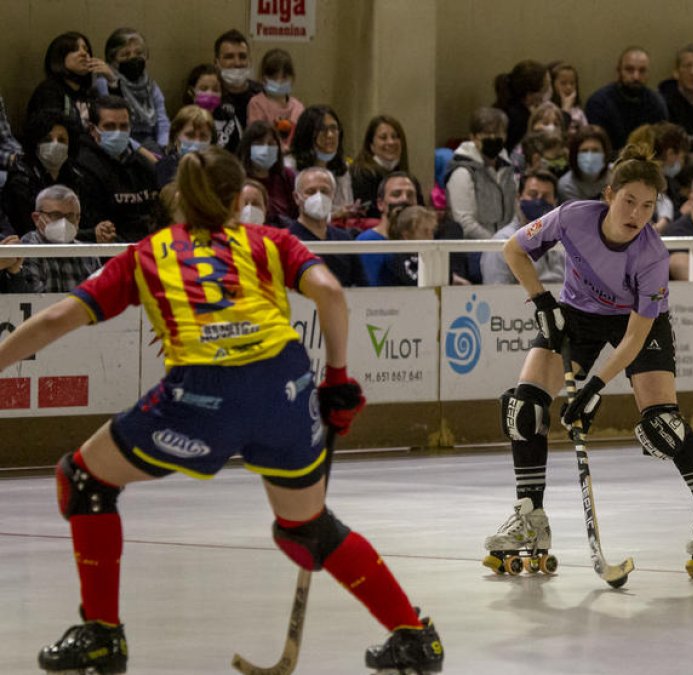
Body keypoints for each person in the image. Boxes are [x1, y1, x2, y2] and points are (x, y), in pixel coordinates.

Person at [0, 147, 443, 673]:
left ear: (179, 201)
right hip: (285, 384)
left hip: (201, 397)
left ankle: (102, 634)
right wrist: (338, 380)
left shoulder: (150, 252)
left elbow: (56, 320)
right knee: (305, 527)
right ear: (239, 199)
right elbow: (329, 292)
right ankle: (413, 635)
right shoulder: (269, 241)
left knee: (84, 479)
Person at [483, 143, 693, 575]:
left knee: (663, 424)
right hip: (577, 316)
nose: (636, 214)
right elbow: (513, 249)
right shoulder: (572, 217)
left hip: (637, 325)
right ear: (608, 195)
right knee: (525, 408)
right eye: (628, 201)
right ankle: (530, 518)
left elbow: (636, 336)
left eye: (647, 206)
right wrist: (543, 301)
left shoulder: (652, 256)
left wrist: (593, 388)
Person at [73, 96, 159, 242]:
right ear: (93, 129)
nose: (118, 132)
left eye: (124, 126)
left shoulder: (143, 165)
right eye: (109, 127)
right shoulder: (81, 167)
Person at [2, 111, 83, 236]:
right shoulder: (21, 179)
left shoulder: (76, 176)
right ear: (36, 143)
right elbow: (26, 228)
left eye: (62, 140)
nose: (55, 144)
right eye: (47, 139)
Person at [285, 166, 366, 287]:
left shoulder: (344, 239)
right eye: (311, 192)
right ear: (297, 198)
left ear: (333, 195)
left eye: (325, 191)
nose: (319, 197)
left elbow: (363, 286)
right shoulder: (286, 240)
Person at [446, 107, 518, 240]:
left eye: (498, 133)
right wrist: (495, 244)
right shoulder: (463, 172)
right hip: (476, 249)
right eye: (486, 133)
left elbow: (515, 212)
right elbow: (465, 221)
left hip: (507, 245)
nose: (493, 138)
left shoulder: (508, 170)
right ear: (473, 137)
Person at [94, 28, 168, 155]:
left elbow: (162, 120)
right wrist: (143, 152)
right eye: (125, 55)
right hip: (121, 141)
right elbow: (112, 119)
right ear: (113, 60)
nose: (133, 58)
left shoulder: (150, 85)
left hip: (151, 142)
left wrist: (165, 146)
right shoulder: (104, 83)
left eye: (139, 53)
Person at [481, 169, 563, 284]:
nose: (539, 201)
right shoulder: (502, 242)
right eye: (533, 194)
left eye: (545, 197)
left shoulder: (563, 240)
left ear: (554, 202)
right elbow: (496, 293)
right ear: (519, 198)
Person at [18, 185, 101, 293]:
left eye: (70, 216)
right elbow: (33, 299)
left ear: (78, 219)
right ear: (36, 218)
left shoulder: (89, 254)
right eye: (56, 215)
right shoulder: (26, 248)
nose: (64, 223)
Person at [584, 46, 668, 150]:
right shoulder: (599, 103)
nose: (636, 77)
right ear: (619, 71)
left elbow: (661, 144)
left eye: (642, 71)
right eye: (629, 70)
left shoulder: (656, 103)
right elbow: (597, 146)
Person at [27, 32, 108, 137]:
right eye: (74, 49)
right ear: (59, 58)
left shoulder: (90, 93)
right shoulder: (49, 91)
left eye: (86, 49)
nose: (84, 54)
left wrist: (111, 81)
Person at [356, 171, 420, 285]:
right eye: (396, 194)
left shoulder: (423, 240)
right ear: (381, 204)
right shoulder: (368, 242)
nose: (404, 199)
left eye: (410, 195)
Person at [290, 105, 354, 210]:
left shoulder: (342, 168)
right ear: (308, 133)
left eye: (334, 129)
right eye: (322, 129)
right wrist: (333, 216)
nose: (330, 135)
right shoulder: (291, 167)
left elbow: (346, 204)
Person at [350, 115, 411, 218]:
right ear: (371, 145)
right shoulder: (362, 175)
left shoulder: (404, 175)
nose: (391, 142)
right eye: (383, 138)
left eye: (395, 137)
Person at [236, 120, 296, 225]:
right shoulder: (236, 178)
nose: (266, 148)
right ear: (247, 147)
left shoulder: (287, 176)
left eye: (271, 144)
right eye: (259, 144)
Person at [212, 29, 261, 152]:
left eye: (242, 57)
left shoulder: (261, 95)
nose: (237, 63)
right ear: (216, 62)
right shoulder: (210, 97)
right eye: (229, 57)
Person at [247, 48, 304, 152]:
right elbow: (257, 136)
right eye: (274, 78)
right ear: (264, 79)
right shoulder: (256, 104)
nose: (279, 82)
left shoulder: (298, 107)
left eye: (284, 77)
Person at [495, 59, 552, 152]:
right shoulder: (519, 119)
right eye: (545, 88)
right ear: (529, 95)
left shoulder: (507, 105)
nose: (548, 91)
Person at [154, 105, 215, 187]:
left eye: (203, 136)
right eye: (190, 135)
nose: (197, 141)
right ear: (176, 137)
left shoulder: (217, 169)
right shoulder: (165, 168)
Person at [557, 124, 612, 203]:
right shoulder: (566, 186)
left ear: (605, 153)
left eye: (595, 150)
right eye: (584, 151)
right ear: (575, 155)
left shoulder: (616, 174)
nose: (590, 156)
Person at [548, 61, 588, 135]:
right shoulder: (547, 109)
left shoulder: (578, 112)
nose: (569, 87)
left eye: (572, 83)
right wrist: (565, 108)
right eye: (563, 83)